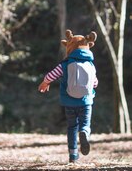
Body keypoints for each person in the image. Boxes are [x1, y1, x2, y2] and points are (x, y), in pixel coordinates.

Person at [38, 29, 98, 163]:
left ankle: (73, 155)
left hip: (69, 103)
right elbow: (95, 83)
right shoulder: (91, 64)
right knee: (85, 124)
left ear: (69, 47)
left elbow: (50, 75)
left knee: (72, 127)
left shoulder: (65, 64)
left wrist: (44, 83)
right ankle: (85, 133)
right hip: (86, 102)